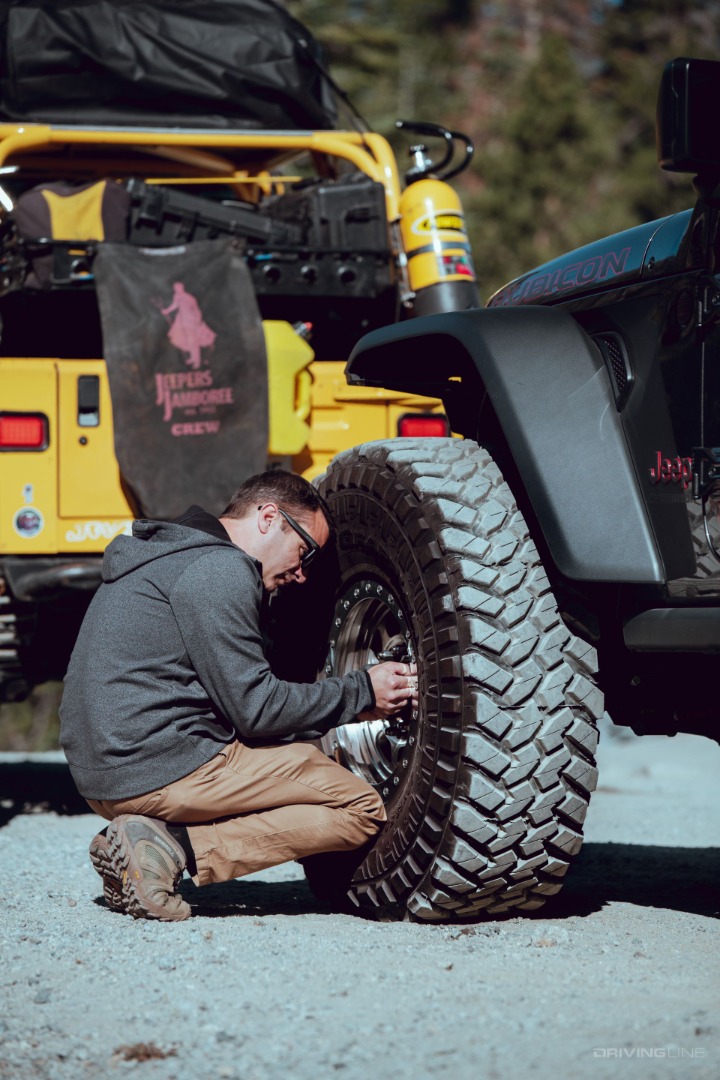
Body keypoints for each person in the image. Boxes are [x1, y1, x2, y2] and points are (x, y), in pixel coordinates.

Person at [59, 470, 418, 921]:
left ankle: (150, 840)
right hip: (155, 767)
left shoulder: (168, 557)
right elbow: (257, 711)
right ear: (269, 517)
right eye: (304, 550)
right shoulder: (220, 568)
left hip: (104, 774)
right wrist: (363, 691)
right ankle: (168, 848)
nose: (302, 574)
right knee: (359, 807)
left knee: (296, 754)